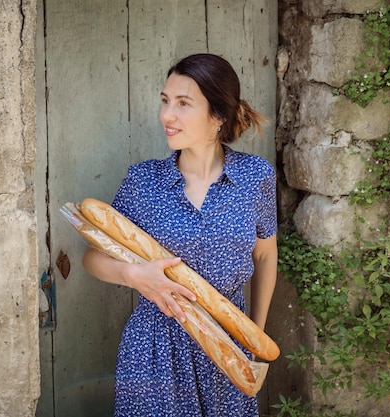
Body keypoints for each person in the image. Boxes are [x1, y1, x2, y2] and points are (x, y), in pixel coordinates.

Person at [82, 53, 278, 416]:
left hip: (227, 347)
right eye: (165, 101)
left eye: (183, 104)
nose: (167, 115)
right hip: (155, 347)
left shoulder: (255, 177)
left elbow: (265, 256)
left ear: (217, 116)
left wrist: (253, 340)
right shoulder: (143, 181)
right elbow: (92, 257)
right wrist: (133, 275)